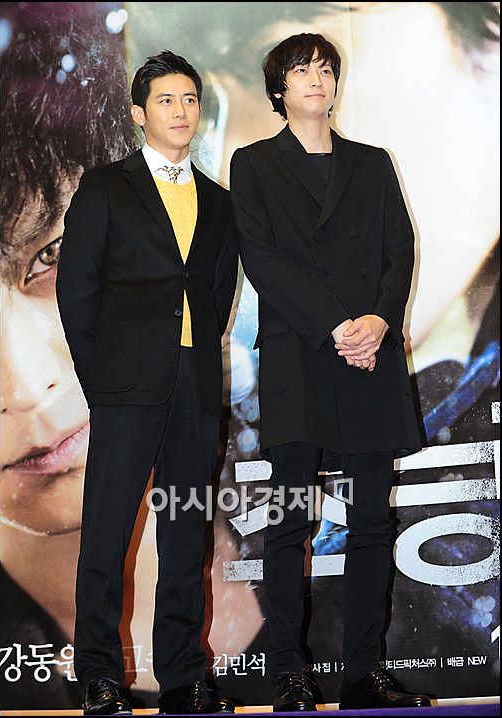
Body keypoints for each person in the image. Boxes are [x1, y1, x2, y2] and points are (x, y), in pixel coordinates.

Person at [230, 33, 432, 711]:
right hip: (301, 352)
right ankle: (290, 673)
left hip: (370, 354)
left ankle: (364, 673)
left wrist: (377, 320)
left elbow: (399, 249)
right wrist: (337, 326)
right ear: (279, 89)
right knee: (291, 520)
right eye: (300, 70)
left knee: (373, 518)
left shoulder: (372, 163)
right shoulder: (254, 164)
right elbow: (262, 258)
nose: (315, 78)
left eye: (324, 68)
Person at [55, 49, 237, 715]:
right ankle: (100, 677)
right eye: (165, 100)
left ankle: (184, 677)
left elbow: (216, 292)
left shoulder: (219, 201)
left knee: (187, 535)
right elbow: (77, 291)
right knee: (107, 536)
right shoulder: (106, 187)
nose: (180, 111)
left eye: (189, 99)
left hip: (194, 385)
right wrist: (101, 381)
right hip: (125, 388)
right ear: (138, 113)